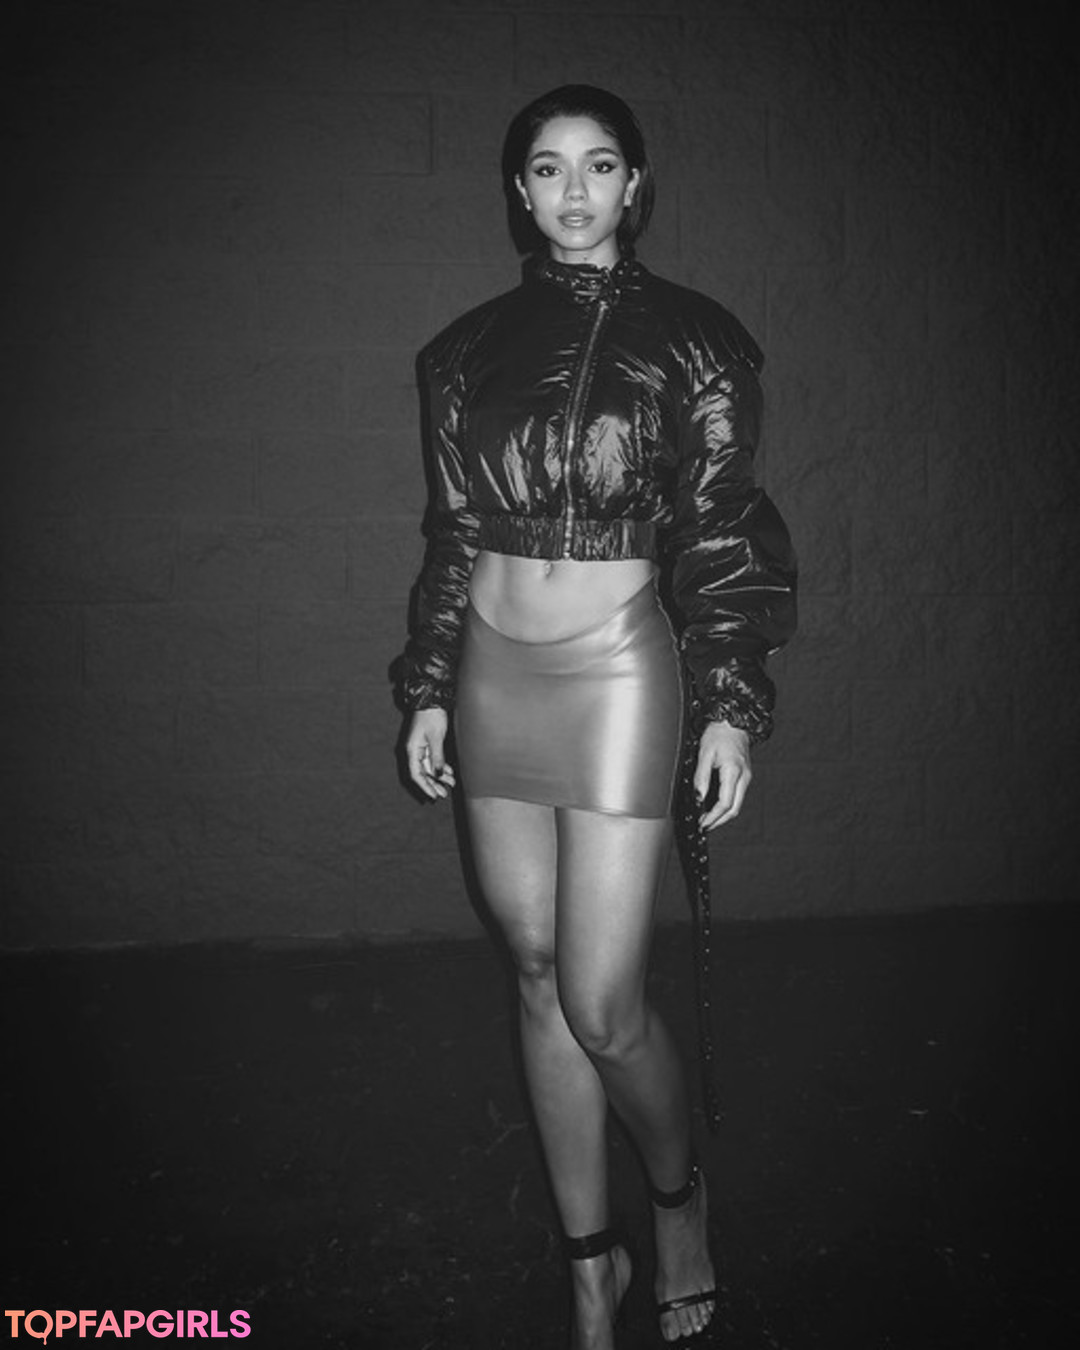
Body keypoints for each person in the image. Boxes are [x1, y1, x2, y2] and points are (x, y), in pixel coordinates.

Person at [397, 85, 797, 1349]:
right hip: (492, 671)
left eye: (601, 164)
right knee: (532, 969)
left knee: (604, 1001)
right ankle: (590, 1264)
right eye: (548, 168)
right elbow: (455, 532)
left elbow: (722, 528)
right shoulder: (462, 351)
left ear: (637, 183)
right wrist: (428, 683)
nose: (574, 190)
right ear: (519, 191)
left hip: (620, 667)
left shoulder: (699, 342)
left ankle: (677, 1203)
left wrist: (729, 702)